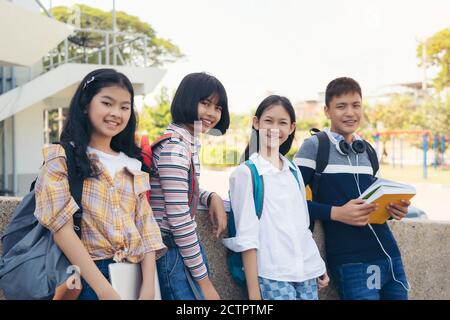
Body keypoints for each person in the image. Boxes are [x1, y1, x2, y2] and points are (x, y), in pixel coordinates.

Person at [34, 68, 166, 300]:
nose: (116, 113)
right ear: (86, 105)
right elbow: (62, 230)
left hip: (132, 277)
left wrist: (148, 287)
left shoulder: (132, 164)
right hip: (86, 280)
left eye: (125, 107)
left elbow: (146, 227)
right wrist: (104, 290)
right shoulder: (61, 157)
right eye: (107, 103)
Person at [295, 77, 411, 300]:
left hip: (391, 258)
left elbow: (373, 201)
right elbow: (290, 202)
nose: (350, 112)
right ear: (327, 111)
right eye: (341, 106)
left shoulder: (367, 150)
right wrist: (336, 213)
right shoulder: (314, 146)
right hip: (351, 262)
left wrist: (393, 209)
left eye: (356, 105)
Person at [223, 95, 329, 300]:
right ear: (256, 123)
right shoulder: (246, 173)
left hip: (305, 273)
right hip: (272, 276)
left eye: (282, 123)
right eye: (268, 121)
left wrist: (317, 266)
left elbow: (302, 225)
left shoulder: (293, 170)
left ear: (291, 128)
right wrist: (254, 295)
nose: (275, 128)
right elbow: (247, 238)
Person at [149, 72, 230, 300]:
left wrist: (210, 196)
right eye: (205, 103)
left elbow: (184, 189)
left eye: (218, 107)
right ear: (186, 100)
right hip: (171, 249)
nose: (212, 113)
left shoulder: (186, 142)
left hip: (180, 248)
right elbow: (179, 219)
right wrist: (205, 284)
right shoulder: (174, 147)